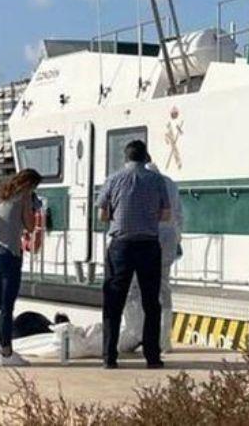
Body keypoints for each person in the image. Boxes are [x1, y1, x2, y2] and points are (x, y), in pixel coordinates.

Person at [99, 139, 171, 369]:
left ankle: (109, 357)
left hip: (121, 244)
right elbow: (166, 215)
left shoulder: (113, 179)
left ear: (126, 157)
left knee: (113, 301)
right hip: (149, 245)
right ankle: (152, 356)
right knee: (151, 303)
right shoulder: (157, 180)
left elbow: (102, 214)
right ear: (145, 157)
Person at [119, 157, 183, 354]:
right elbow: (179, 215)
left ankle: (134, 334)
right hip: (169, 238)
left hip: (144, 239)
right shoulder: (170, 183)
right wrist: (177, 239)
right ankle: (164, 341)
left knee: (133, 288)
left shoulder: (137, 182)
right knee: (163, 289)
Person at [0, 168, 42, 366]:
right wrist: (30, 206)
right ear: (30, 185)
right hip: (10, 254)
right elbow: (30, 226)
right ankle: (7, 353)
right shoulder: (23, 198)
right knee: (7, 306)